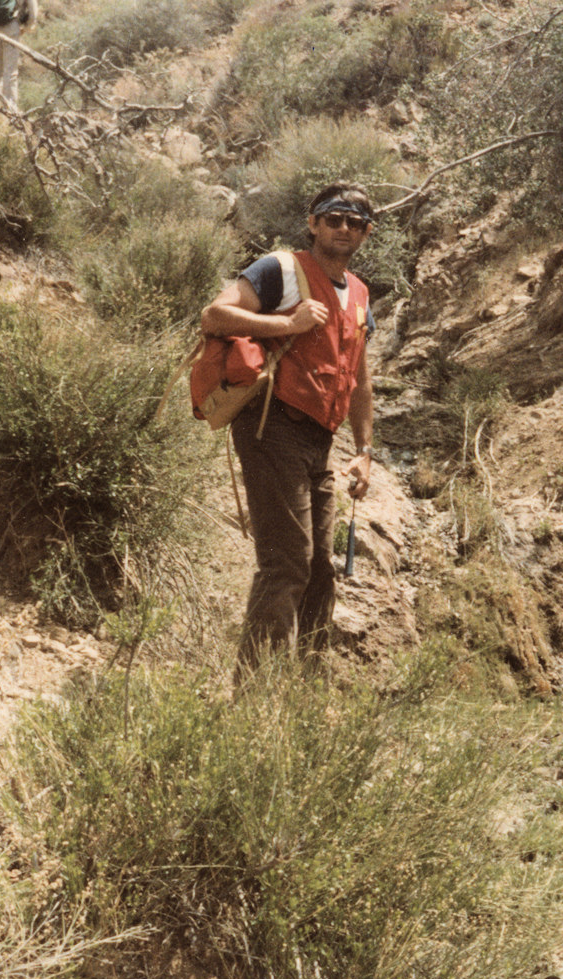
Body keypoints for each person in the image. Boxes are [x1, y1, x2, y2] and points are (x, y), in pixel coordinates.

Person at [200, 182, 377, 678]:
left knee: (322, 569)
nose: (344, 228)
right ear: (313, 224)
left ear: (367, 233)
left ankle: (301, 691)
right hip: (272, 423)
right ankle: (255, 697)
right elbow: (214, 315)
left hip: (320, 439)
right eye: (334, 218)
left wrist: (364, 450)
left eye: (356, 222)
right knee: (288, 562)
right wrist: (288, 325)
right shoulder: (282, 269)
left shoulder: (360, 293)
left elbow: (361, 378)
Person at [0, 0, 38, 108]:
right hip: (11, 28)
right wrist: (26, 28)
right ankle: (10, 108)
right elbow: (33, 15)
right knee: (10, 72)